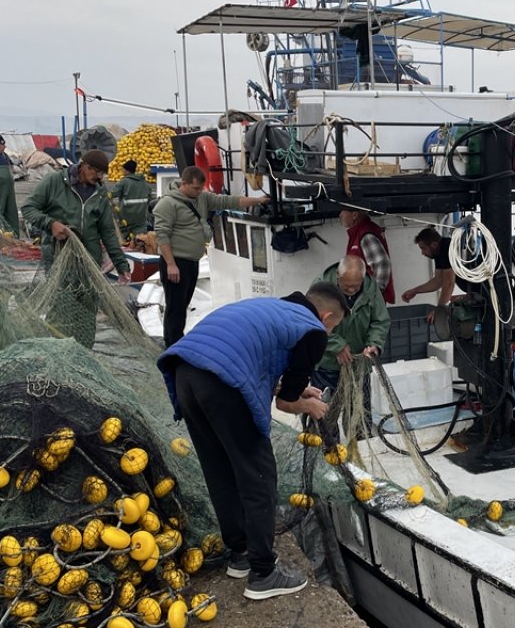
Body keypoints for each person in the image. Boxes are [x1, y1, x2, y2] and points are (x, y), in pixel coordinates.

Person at [157, 282, 349, 601]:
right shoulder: (313, 331)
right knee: (258, 475)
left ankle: (241, 554)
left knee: (220, 468)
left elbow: (258, 367)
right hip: (221, 383)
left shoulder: (275, 309)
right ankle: (263, 573)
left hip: (186, 374)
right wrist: (310, 405)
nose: (329, 333)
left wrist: (299, 391)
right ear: (326, 316)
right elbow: (286, 405)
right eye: (334, 326)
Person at [21, 149, 131, 348]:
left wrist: (121, 264)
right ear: (84, 167)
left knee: (88, 307)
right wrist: (50, 223)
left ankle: (84, 350)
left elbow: (107, 232)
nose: (100, 178)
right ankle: (58, 349)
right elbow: (29, 208)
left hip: (89, 259)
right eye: (97, 173)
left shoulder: (99, 193)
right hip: (58, 256)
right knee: (61, 304)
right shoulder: (54, 182)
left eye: (102, 174)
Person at [153, 165, 268, 346]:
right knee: (175, 307)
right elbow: (161, 235)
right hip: (176, 262)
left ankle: (174, 341)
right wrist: (170, 264)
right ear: (183, 184)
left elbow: (227, 201)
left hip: (193, 261)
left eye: (201, 188)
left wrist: (257, 201)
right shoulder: (167, 204)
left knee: (182, 305)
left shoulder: (202, 198)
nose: (199, 192)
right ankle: (173, 344)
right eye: (195, 188)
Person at [313, 255, 390, 394]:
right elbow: (312, 323)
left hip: (359, 363)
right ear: (338, 276)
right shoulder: (320, 286)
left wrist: (374, 344)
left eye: (356, 286)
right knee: (323, 411)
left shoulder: (371, 288)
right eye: (346, 286)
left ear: (363, 277)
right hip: (327, 364)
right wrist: (337, 345)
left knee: (360, 411)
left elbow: (380, 321)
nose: (351, 290)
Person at [401, 227, 479, 323]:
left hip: (482, 291)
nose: (422, 253)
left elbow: (449, 283)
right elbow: (438, 281)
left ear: (433, 244)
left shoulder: (447, 248)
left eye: (423, 248)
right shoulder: (438, 252)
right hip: (474, 292)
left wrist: (439, 310)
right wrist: (414, 291)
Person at [339, 208, 394, 303]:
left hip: (369, 301)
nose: (340, 215)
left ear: (354, 215)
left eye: (342, 212)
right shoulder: (359, 232)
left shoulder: (366, 235)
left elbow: (382, 264)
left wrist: (371, 295)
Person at [108, 159, 153, 235]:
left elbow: (111, 194)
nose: (122, 171)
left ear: (127, 170)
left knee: (124, 243)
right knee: (140, 242)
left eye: (123, 169)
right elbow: (149, 198)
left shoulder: (124, 182)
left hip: (126, 221)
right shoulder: (144, 182)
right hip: (140, 221)